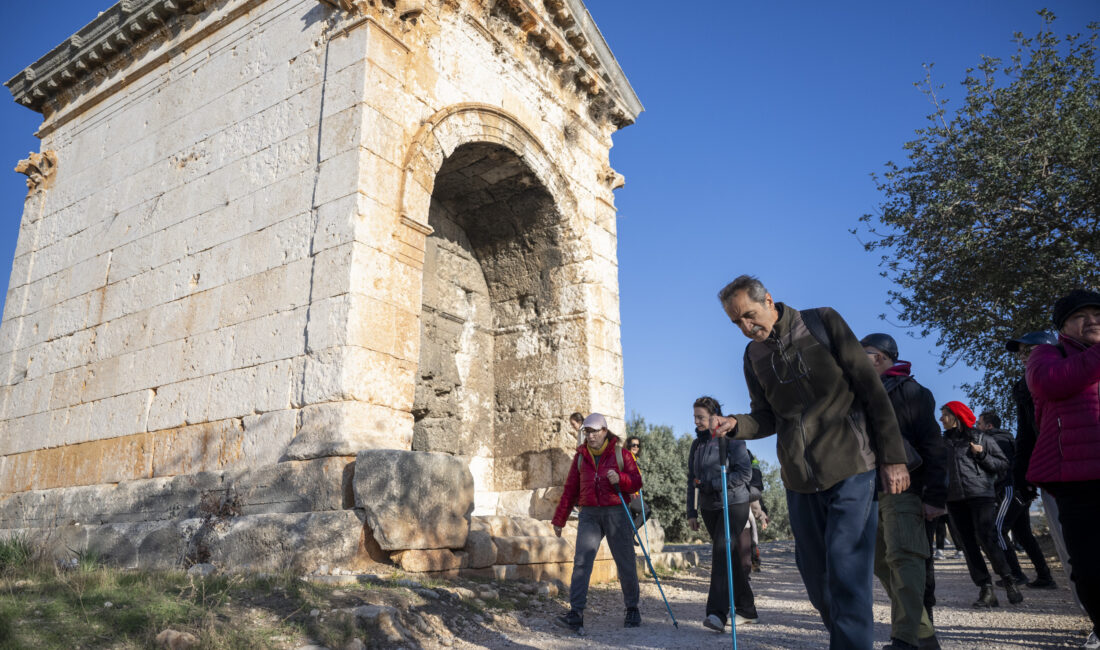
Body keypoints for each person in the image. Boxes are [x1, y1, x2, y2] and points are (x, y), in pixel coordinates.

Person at [710, 275, 910, 649]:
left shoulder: (821, 322)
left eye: (749, 316)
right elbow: (766, 416)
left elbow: (871, 389)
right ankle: (847, 640)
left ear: (769, 300)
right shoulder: (753, 357)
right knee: (816, 577)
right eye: (736, 322)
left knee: (847, 569)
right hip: (799, 478)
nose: (745, 328)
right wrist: (737, 424)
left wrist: (893, 458)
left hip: (852, 465)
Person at [862, 333, 948, 650]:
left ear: (881, 358)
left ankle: (906, 640)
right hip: (867, 492)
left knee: (905, 559)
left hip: (905, 489)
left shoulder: (911, 391)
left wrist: (935, 496)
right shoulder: (860, 393)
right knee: (881, 562)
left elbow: (933, 446)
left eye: (863, 353)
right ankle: (924, 637)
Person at [1026, 289, 1100, 649]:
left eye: (1098, 315)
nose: (1092, 321)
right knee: (1088, 565)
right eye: (1081, 316)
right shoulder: (1047, 355)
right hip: (1076, 478)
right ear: (1063, 327)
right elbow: (1051, 383)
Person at [551, 413, 643, 631]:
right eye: (586, 432)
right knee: (582, 562)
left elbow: (636, 482)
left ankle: (632, 609)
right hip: (589, 514)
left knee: (625, 562)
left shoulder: (622, 454)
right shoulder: (581, 457)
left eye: (593, 431)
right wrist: (559, 519)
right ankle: (576, 613)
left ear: (604, 431)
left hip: (616, 512)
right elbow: (570, 489)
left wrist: (620, 479)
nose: (589, 436)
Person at [686, 396, 758, 632]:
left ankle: (717, 614)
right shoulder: (697, 445)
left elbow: (744, 474)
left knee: (720, 552)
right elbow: (691, 480)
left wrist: (715, 483)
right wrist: (692, 511)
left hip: (734, 504)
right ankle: (747, 609)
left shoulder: (733, 441)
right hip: (709, 508)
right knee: (730, 557)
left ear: (714, 417)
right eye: (695, 416)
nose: (696, 421)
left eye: (701, 417)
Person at [940, 401, 1022, 608]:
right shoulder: (941, 443)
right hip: (954, 499)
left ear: (956, 416)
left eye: (944, 415)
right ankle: (986, 589)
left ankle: (1009, 579)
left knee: (987, 538)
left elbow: (1003, 464)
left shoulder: (982, 438)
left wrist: (982, 454)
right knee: (968, 545)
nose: (941, 419)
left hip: (981, 496)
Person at [976, 410, 1056, 589]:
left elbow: (996, 468)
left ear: (989, 426)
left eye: (979, 424)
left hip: (1009, 490)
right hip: (1021, 491)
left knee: (998, 530)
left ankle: (1015, 574)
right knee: (1024, 534)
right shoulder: (1008, 438)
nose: (977, 427)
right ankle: (1045, 576)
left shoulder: (994, 440)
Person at [624, 436, 648, 530]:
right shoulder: (627, 458)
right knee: (646, 510)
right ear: (628, 445)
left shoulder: (634, 460)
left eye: (638, 445)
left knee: (633, 518)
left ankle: (629, 537)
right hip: (631, 494)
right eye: (633, 445)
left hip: (636, 493)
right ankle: (631, 532)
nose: (636, 447)